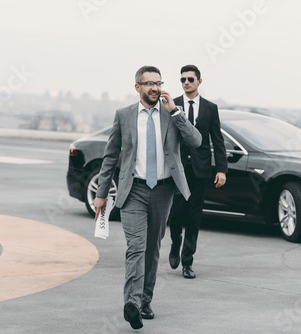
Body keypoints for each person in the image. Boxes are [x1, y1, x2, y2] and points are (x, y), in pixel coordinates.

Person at [94, 65, 202, 329]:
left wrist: (175, 112)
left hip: (163, 190)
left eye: (158, 83)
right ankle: (131, 302)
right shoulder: (124, 115)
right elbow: (110, 156)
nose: (155, 88)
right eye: (149, 83)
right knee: (136, 248)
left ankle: (145, 301)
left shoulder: (171, 113)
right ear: (137, 87)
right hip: (134, 190)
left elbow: (196, 140)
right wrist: (101, 194)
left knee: (152, 248)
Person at [167, 64, 227, 279]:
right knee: (175, 213)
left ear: (199, 81)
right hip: (178, 169)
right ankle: (175, 243)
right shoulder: (172, 104)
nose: (186, 83)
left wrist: (221, 169)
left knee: (194, 216)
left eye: (190, 79)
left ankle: (187, 262)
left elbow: (217, 141)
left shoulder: (210, 108)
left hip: (200, 170)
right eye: (182, 79)